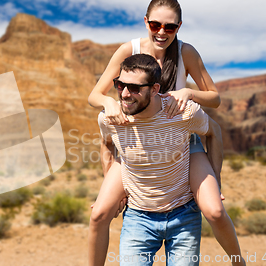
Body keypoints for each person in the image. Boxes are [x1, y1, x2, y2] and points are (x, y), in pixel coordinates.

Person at [87, 1, 244, 266]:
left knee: (213, 209)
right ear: (145, 21)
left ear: (179, 26)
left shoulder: (186, 52)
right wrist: (109, 103)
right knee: (100, 212)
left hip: (181, 137)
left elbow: (214, 98)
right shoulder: (130, 51)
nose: (162, 32)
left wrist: (189, 92)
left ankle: (238, 260)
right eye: (155, 24)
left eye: (169, 26)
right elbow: (94, 95)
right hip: (136, 139)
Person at [99, 53, 223, 265]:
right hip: (138, 217)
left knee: (216, 211)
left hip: (184, 213)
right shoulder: (110, 116)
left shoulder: (184, 112)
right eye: (120, 86)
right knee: (98, 214)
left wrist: (215, 180)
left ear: (155, 89)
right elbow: (106, 142)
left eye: (135, 88)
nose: (126, 94)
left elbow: (214, 126)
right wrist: (113, 188)